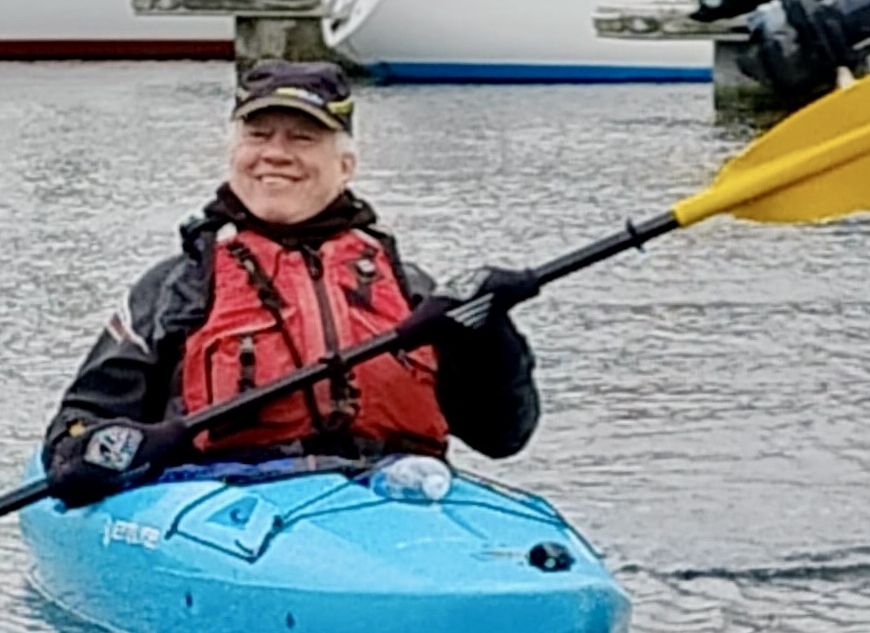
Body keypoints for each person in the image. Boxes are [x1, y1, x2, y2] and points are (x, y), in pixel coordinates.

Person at [43, 61, 540, 506]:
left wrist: (492, 336)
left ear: (346, 166)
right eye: (258, 136)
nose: (275, 154)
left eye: (302, 139)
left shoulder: (410, 289)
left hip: (395, 495)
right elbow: (74, 431)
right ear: (234, 154)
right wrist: (111, 448)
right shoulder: (177, 287)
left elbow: (502, 437)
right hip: (230, 502)